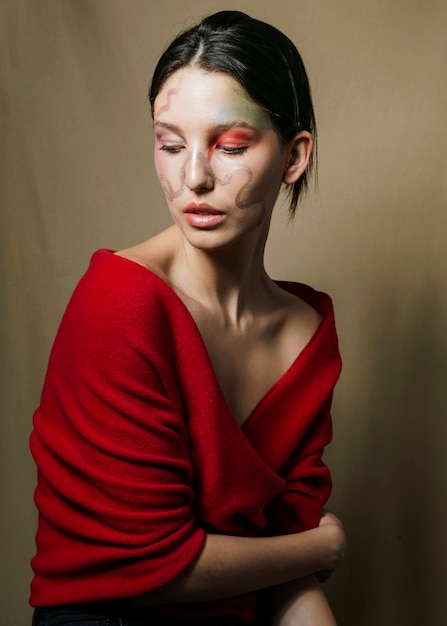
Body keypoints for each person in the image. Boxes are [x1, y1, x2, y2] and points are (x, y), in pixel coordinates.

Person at [30, 10, 345, 626]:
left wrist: (300, 555)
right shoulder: (120, 301)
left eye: (229, 146)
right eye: (170, 144)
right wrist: (322, 545)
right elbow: (155, 574)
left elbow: (284, 566)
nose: (193, 176)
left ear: (294, 156)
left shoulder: (308, 331)